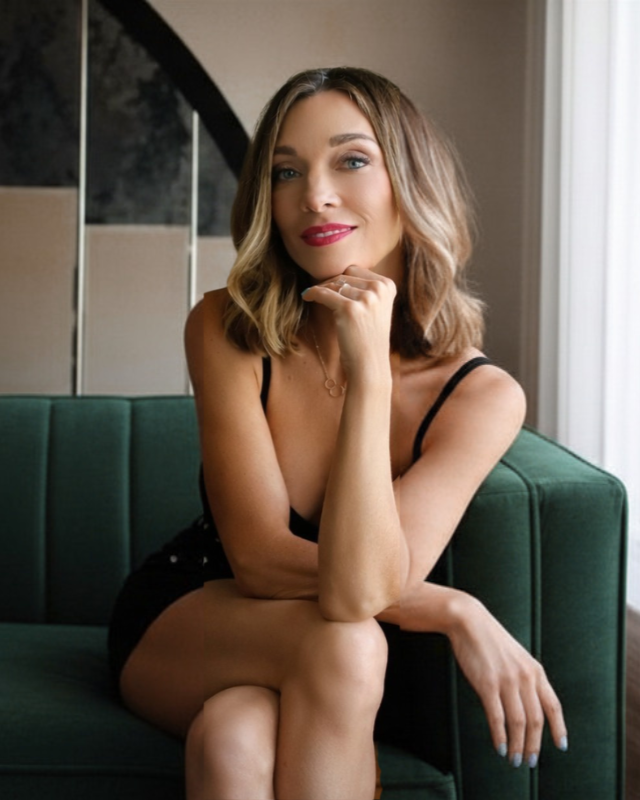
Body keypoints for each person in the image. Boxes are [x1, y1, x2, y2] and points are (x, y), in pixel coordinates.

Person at [107, 66, 568, 800]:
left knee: (235, 738)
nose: (313, 195)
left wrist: (371, 374)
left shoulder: (481, 396)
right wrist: (455, 609)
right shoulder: (227, 327)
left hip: (327, 649)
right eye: (286, 172)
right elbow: (259, 560)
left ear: (409, 182)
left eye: (351, 160)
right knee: (350, 640)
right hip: (196, 610)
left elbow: (364, 585)